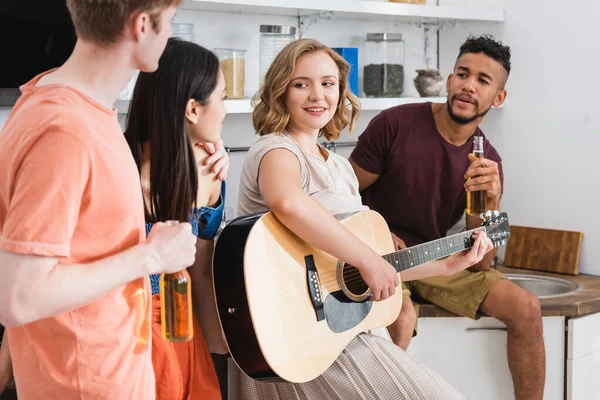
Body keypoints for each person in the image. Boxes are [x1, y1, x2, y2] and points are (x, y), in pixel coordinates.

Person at [236, 38, 494, 400]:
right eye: (301, 84)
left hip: (336, 334)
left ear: (341, 92)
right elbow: (288, 203)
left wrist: (448, 265)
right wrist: (366, 257)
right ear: (281, 91)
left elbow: (362, 272)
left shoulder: (340, 168)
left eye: (328, 84)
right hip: (286, 334)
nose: (317, 95)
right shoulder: (276, 149)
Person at [0, 1, 224, 398]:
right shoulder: (64, 132)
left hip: (119, 371)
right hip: (88, 383)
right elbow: (18, 298)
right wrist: (152, 256)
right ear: (141, 25)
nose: (170, 35)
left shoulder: (87, 112)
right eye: (169, 22)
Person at [349, 35, 545, 400]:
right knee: (401, 317)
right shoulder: (395, 125)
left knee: (526, 307)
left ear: (498, 97)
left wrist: (493, 203)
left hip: (435, 259)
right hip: (380, 257)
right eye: (462, 74)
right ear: (450, 80)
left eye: (483, 81)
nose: (469, 86)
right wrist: (377, 233)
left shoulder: (488, 162)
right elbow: (340, 196)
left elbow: (481, 263)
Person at [124, 37, 229, 400]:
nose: (226, 110)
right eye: (223, 98)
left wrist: (216, 347)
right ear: (192, 110)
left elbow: (199, 268)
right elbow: (198, 267)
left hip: (176, 323)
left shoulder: (207, 169)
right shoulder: (207, 169)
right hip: (144, 328)